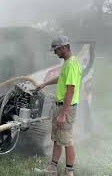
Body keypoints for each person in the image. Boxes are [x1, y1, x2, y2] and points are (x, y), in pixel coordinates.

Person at [35, 36, 82, 176]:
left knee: (67, 140)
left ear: (63, 48)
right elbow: (61, 78)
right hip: (60, 106)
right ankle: (52, 169)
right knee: (57, 139)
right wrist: (44, 83)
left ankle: (69, 172)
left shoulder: (72, 64)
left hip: (65, 108)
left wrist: (63, 114)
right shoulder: (67, 63)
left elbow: (71, 90)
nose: (55, 53)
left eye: (56, 50)